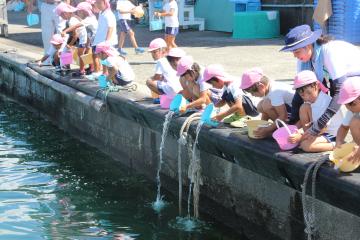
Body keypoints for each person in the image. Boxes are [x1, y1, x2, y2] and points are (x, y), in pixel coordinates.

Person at [281, 24, 360, 140]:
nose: (294, 56)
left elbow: (339, 89)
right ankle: (335, 133)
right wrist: (292, 123)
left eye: (296, 52)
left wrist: (320, 123)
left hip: (354, 77)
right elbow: (299, 89)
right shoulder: (304, 59)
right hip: (342, 78)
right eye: (293, 52)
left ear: (307, 46)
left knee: (352, 111)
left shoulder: (329, 51)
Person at [287, 70, 346, 152]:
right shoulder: (311, 102)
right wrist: (298, 131)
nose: (306, 97)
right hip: (319, 130)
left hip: (332, 134)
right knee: (303, 107)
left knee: (305, 145)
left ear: (317, 86)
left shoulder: (323, 102)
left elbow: (323, 128)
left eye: (309, 93)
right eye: (302, 95)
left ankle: (338, 145)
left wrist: (301, 137)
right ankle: (308, 135)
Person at [240, 67, 294, 137]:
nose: (252, 95)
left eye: (252, 93)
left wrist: (267, 130)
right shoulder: (268, 87)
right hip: (287, 112)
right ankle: (274, 127)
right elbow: (265, 112)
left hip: (294, 116)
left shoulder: (275, 92)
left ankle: (282, 129)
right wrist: (261, 126)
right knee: (260, 106)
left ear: (261, 86)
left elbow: (283, 116)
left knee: (266, 105)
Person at [56, 2, 89, 75]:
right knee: (70, 50)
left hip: (82, 38)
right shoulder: (73, 17)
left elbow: (75, 36)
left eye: (61, 15)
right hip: (81, 37)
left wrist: (70, 44)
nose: (61, 17)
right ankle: (67, 67)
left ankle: (81, 70)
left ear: (65, 13)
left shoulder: (71, 21)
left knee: (79, 54)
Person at [335, 77, 360, 162]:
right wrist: (339, 141)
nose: (349, 108)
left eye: (351, 103)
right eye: (346, 104)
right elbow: (344, 127)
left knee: (355, 122)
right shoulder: (352, 111)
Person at [92, 0, 118, 75]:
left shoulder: (108, 14)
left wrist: (107, 41)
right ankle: (104, 75)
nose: (98, 5)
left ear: (105, 3)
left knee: (108, 61)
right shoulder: (101, 13)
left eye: (99, 3)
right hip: (101, 41)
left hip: (107, 41)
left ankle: (107, 77)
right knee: (104, 60)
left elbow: (111, 27)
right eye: (97, 3)